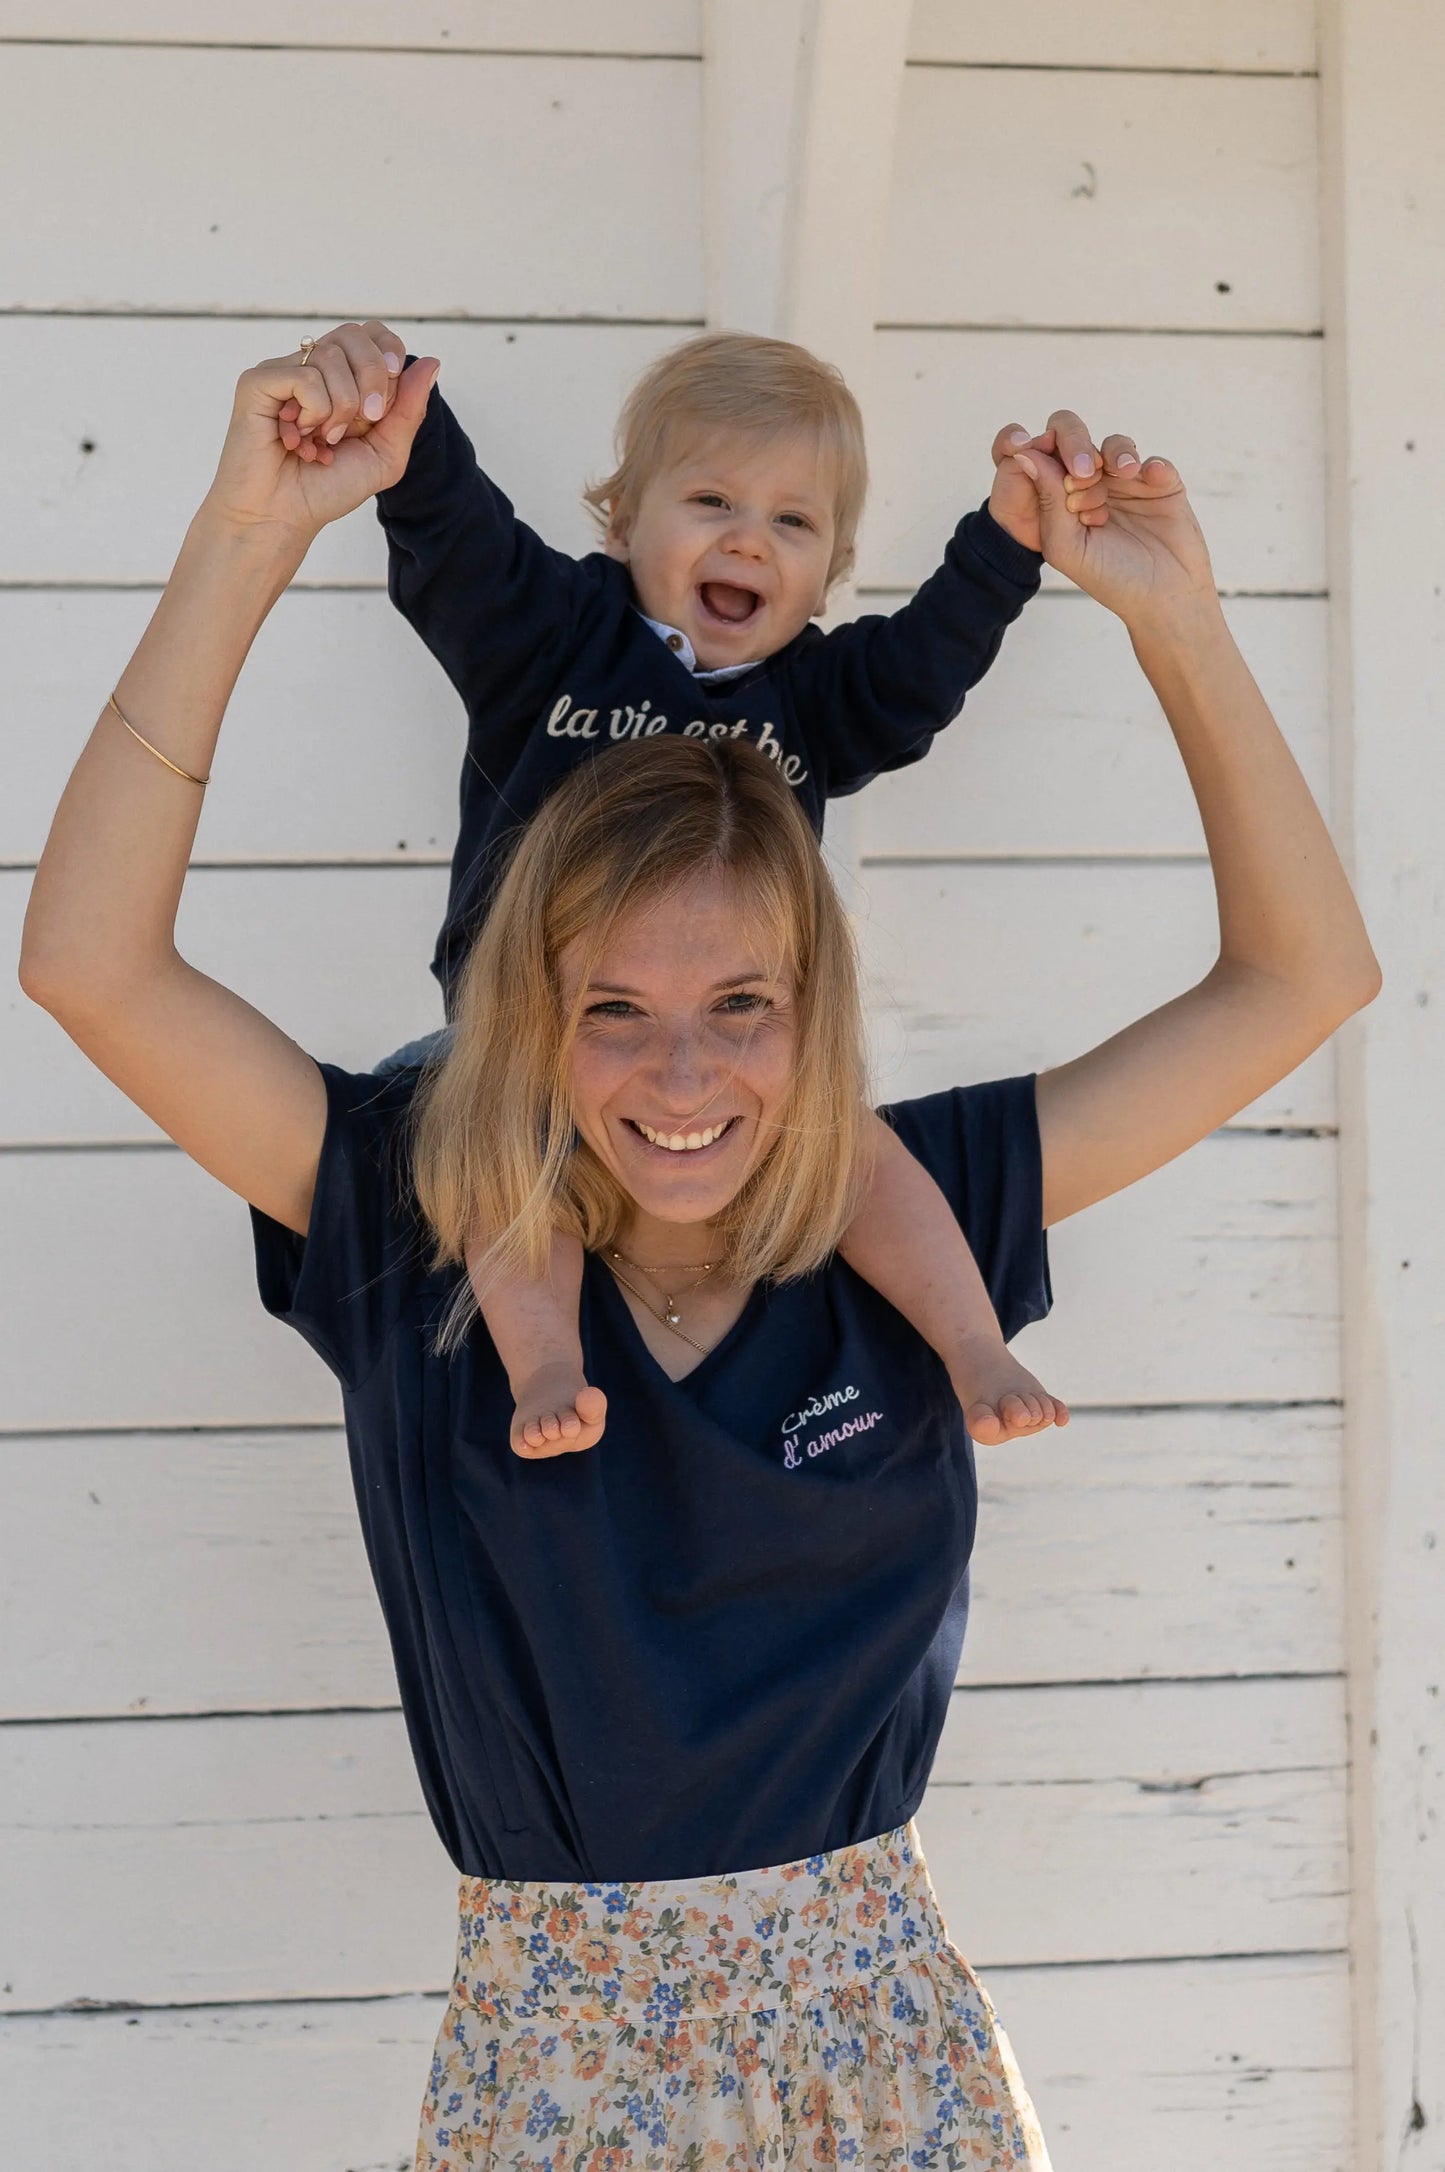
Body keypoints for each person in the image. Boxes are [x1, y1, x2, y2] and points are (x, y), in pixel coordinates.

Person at [20, 346, 1379, 2172]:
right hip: (557, 2096)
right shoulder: (415, 1211)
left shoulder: (914, 1214)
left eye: (743, 1002)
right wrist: (248, 531)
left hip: (892, 2085)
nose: (683, 1073)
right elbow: (92, 966)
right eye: (612, 1007)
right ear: (526, 1012)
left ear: (813, 1014)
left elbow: (1303, 984)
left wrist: (1180, 625)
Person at [275, 320, 1080, 1460]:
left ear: (830, 569)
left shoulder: (812, 701)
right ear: (622, 519)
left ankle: (973, 1347)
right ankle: (547, 1358)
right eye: (712, 503)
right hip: (522, 1038)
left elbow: (920, 667)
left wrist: (1005, 543)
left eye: (791, 523)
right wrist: (400, 415)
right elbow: (462, 547)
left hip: (712, 1052)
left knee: (849, 1146)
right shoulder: (555, 639)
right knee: (496, 1164)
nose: (750, 543)